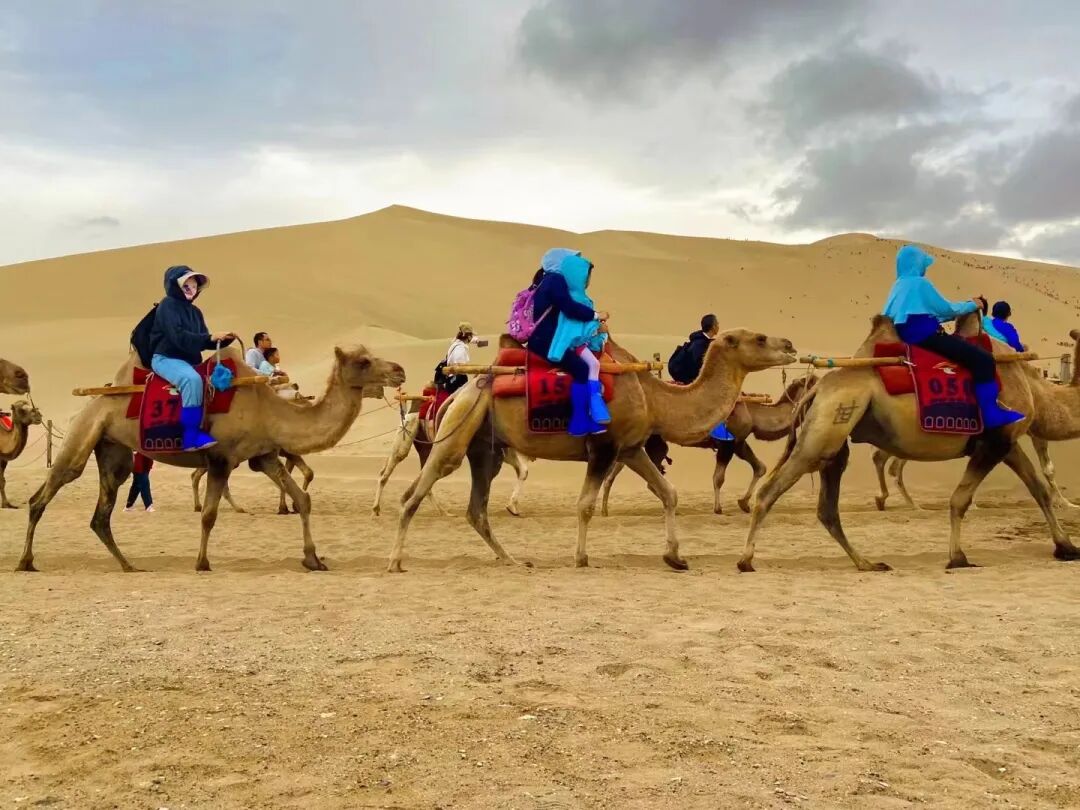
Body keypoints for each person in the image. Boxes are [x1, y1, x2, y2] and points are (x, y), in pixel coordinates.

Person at [882, 245, 1023, 429]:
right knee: (984, 360)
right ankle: (991, 414)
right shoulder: (920, 284)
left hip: (905, 336)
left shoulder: (898, 286)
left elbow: (917, 314)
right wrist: (972, 305)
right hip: (926, 337)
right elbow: (946, 309)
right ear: (916, 264)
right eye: (923, 264)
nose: (924, 269)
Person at [149, 265, 238, 451]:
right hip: (166, 358)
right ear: (175, 286)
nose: (191, 289)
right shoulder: (167, 305)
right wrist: (209, 338)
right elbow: (178, 336)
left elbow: (202, 341)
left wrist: (222, 340)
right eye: (186, 285)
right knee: (192, 380)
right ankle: (190, 436)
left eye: (194, 286)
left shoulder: (195, 312)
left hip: (190, 360)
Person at [527, 248, 611, 436]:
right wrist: (595, 315)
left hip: (542, 339)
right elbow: (569, 308)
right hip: (547, 342)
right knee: (582, 369)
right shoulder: (555, 280)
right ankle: (579, 421)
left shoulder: (545, 280)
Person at [671, 314, 735, 441]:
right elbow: (698, 365)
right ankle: (714, 429)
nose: (718, 326)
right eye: (717, 324)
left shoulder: (705, 341)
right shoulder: (699, 344)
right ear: (713, 327)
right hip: (691, 379)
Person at [440, 322, 474, 394]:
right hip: (457, 380)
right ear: (469, 336)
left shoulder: (456, 344)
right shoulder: (460, 348)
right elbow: (459, 365)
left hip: (452, 380)